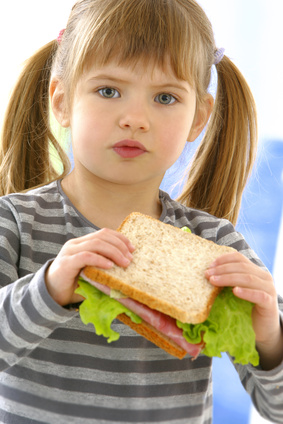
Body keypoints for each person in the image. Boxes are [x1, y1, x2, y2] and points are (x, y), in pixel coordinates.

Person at [0, 0, 282, 423]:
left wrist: (270, 337)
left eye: (165, 97)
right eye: (108, 90)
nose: (135, 119)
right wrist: (49, 289)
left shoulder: (218, 247)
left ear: (198, 119)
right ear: (61, 100)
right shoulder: (16, 223)